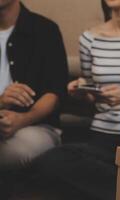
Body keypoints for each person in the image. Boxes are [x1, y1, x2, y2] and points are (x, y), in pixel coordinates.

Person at [33, 0, 120, 199]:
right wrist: (82, 90)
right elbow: (93, 93)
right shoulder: (89, 39)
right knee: (49, 161)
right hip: (101, 138)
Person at [0, 0, 68, 171]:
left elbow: (55, 93)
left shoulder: (45, 30)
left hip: (36, 126)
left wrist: (22, 119)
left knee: (18, 150)